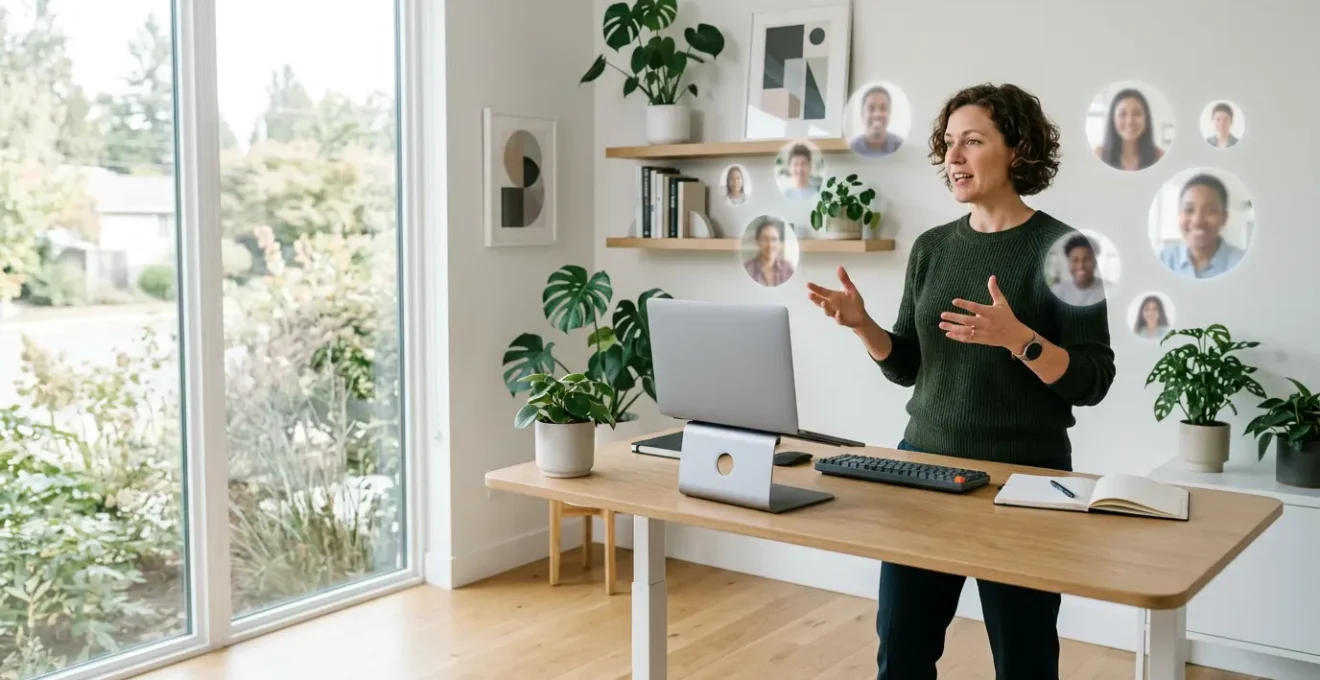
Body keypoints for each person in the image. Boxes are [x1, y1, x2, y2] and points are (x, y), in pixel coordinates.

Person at [806, 83, 1116, 680]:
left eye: (972, 141)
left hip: (1024, 480)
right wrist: (863, 325)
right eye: (948, 143)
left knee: (1025, 661)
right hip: (924, 468)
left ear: (1018, 151)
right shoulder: (932, 247)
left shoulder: (1067, 251)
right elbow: (907, 366)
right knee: (901, 654)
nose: (953, 156)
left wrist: (1018, 339)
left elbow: (1093, 379)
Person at [1158, 173, 1245, 279]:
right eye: (1189, 210)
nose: (1197, 221)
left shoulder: (1244, 264)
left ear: (1224, 218)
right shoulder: (1162, 262)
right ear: (1179, 215)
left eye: (1210, 211)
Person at [1094, 88, 1164, 171]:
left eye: (1137, 114)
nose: (1130, 121)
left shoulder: (1160, 157)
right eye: (1123, 114)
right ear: (1113, 119)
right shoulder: (1099, 155)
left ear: (1146, 119)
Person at [1049, 233, 1106, 307]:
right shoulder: (1058, 291)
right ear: (1069, 263)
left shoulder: (1107, 290)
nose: (1080, 266)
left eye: (1086, 260)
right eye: (1075, 260)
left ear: (1095, 262)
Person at [850, 85, 904, 157]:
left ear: (889, 113)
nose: (877, 114)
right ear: (862, 114)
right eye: (871, 109)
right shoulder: (851, 149)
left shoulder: (902, 147)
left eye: (883, 108)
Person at [744, 217, 795, 287]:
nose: (770, 245)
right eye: (765, 239)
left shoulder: (787, 268)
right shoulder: (748, 269)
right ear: (757, 242)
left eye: (774, 239)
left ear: (779, 243)